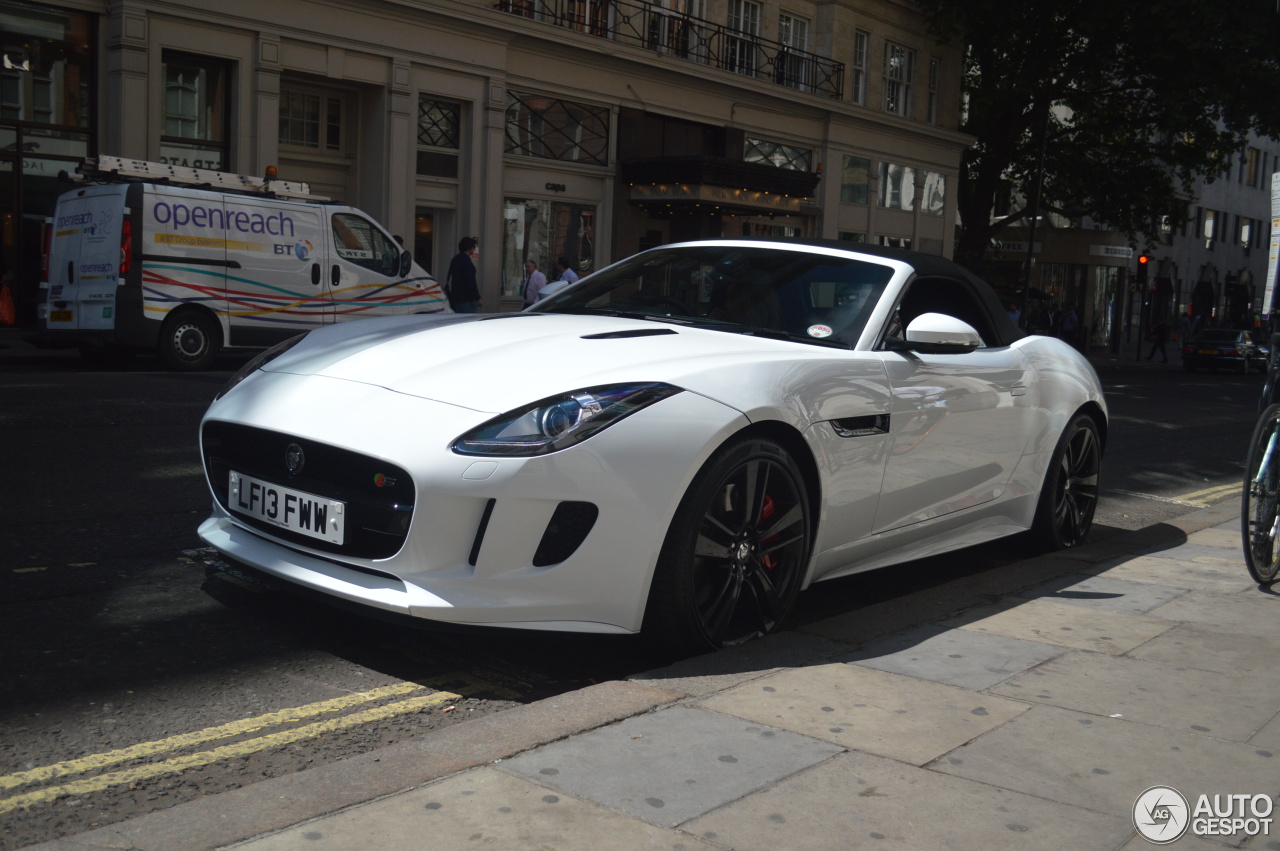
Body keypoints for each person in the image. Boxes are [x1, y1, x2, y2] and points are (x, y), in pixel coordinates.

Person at [445, 237, 482, 313]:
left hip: (456, 298)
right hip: (467, 299)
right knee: (470, 321)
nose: (474, 249)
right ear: (470, 248)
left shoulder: (455, 259)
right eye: (473, 247)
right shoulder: (466, 262)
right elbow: (471, 281)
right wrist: (477, 298)